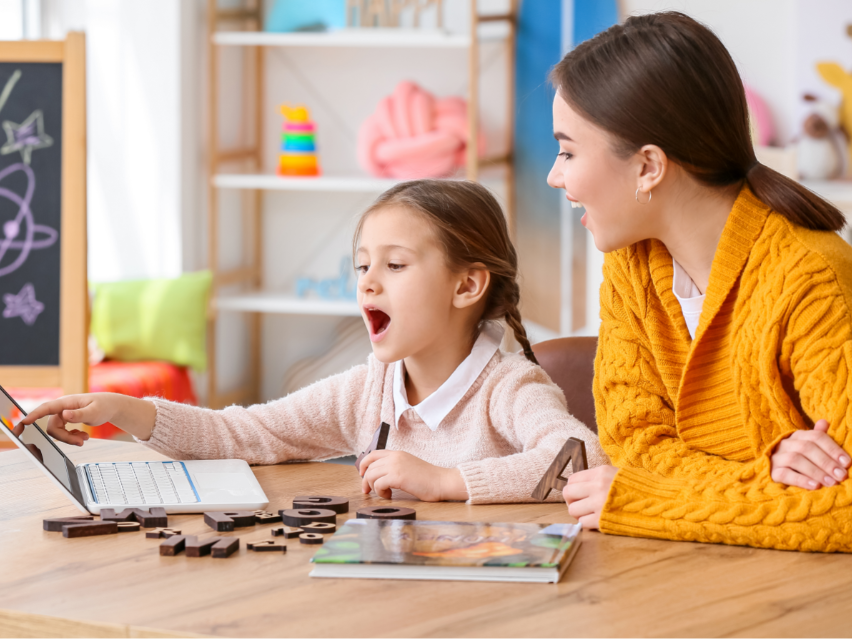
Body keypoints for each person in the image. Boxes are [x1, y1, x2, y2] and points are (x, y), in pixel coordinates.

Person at [23, 179, 606, 504]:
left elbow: (582, 459)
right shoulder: (369, 390)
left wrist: (447, 481)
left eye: (396, 266)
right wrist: (129, 411)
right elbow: (247, 432)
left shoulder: (507, 385)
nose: (369, 282)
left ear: (467, 284)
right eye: (362, 267)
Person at [548, 11, 852, 551]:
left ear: (648, 167)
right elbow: (635, 445)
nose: (556, 175)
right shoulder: (631, 262)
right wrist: (766, 471)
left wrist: (649, 500)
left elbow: (847, 507)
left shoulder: (811, 277)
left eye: (569, 151)